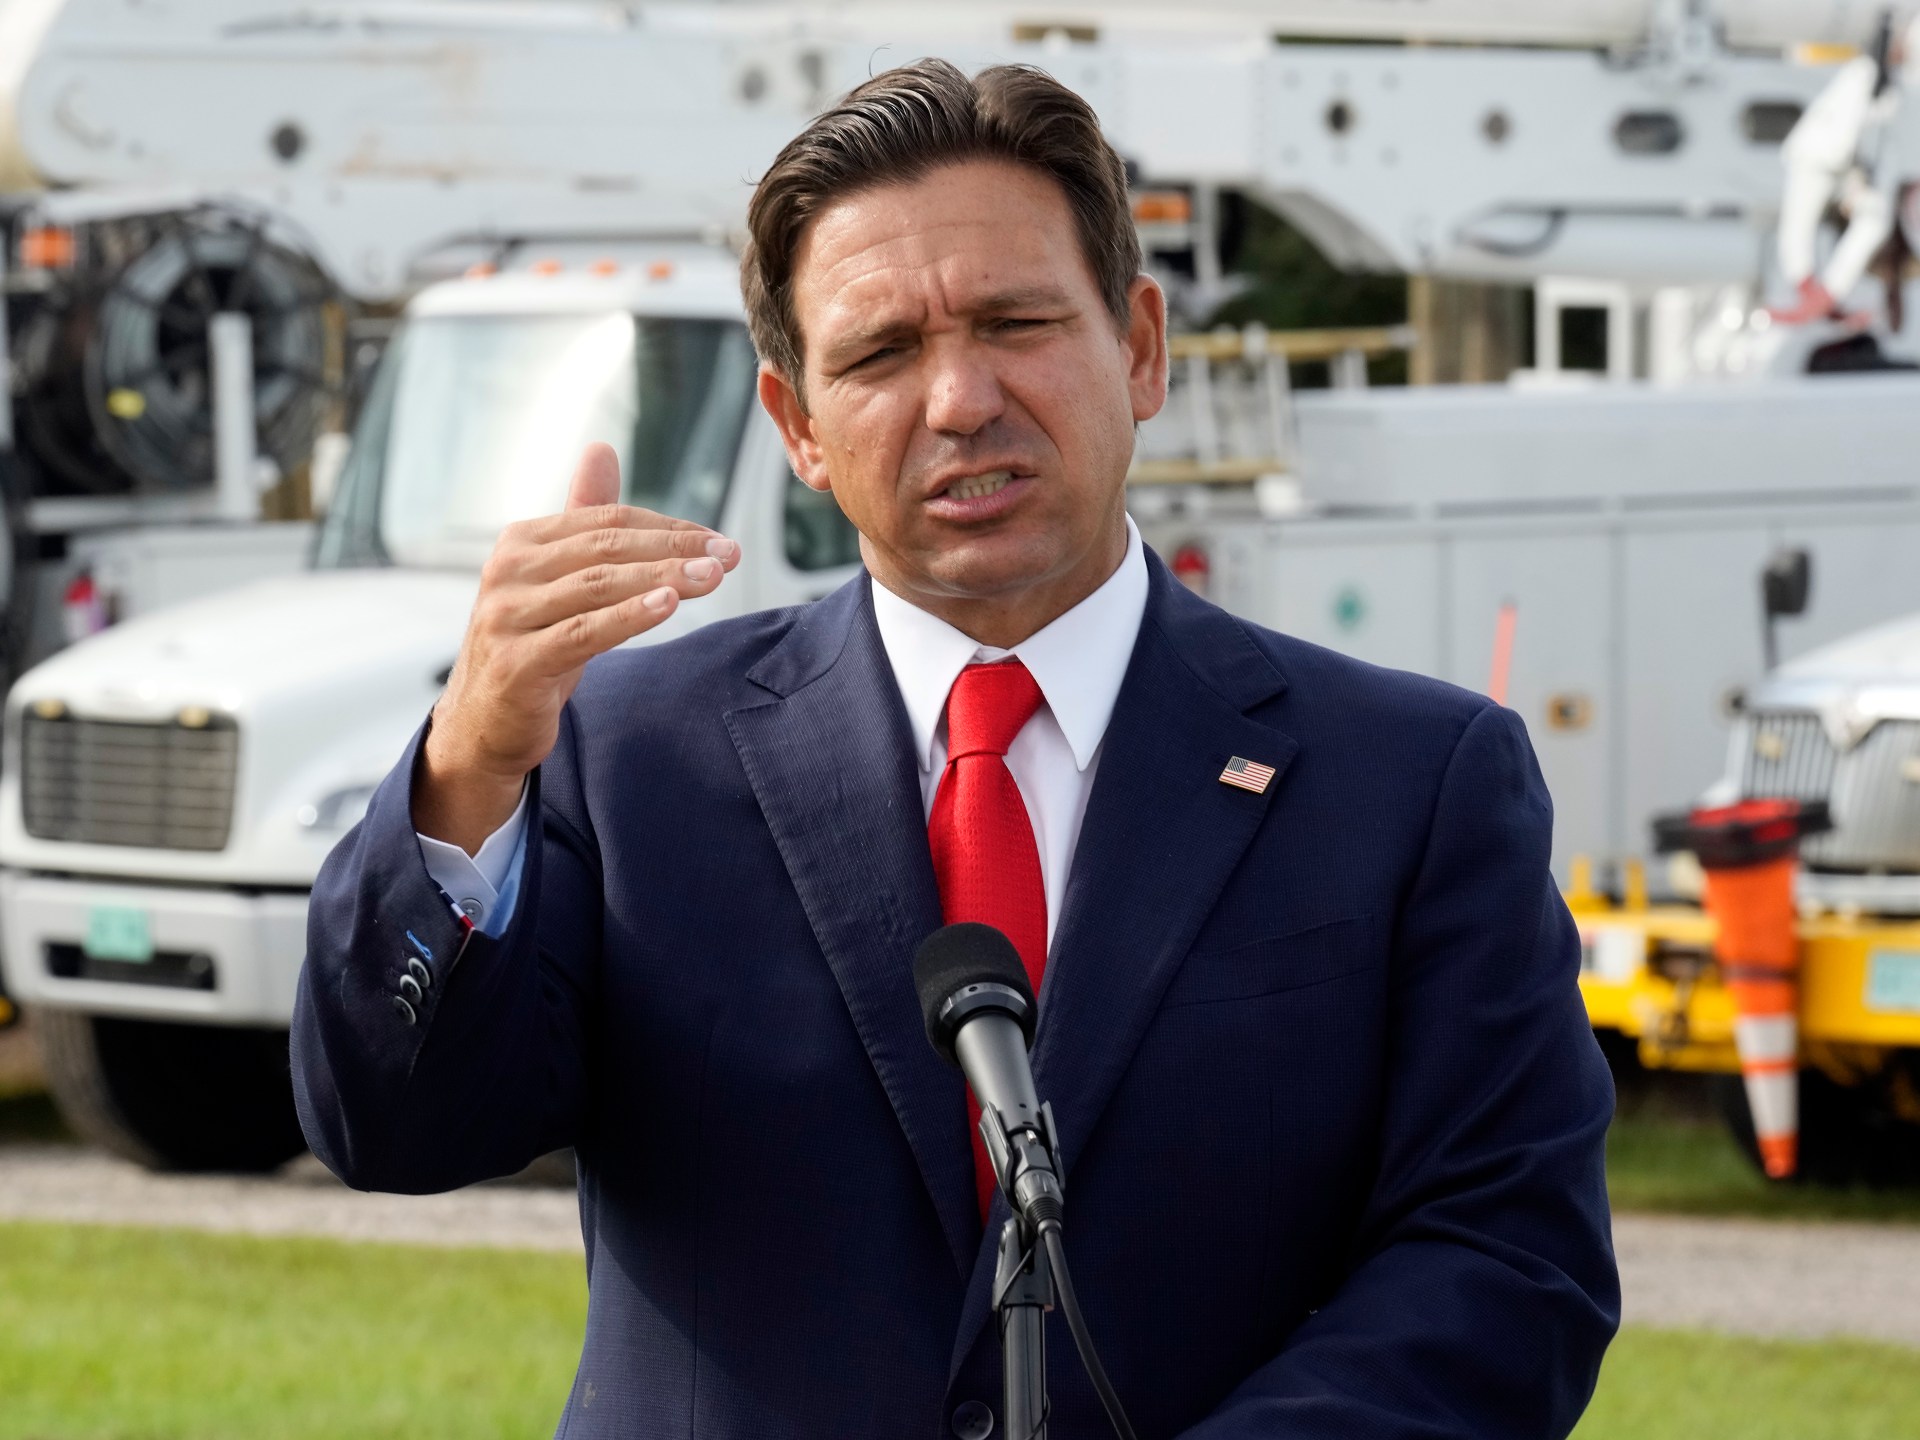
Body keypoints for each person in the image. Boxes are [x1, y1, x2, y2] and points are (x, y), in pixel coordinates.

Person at [294, 60, 1617, 1439]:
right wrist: (470, 764)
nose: (960, 398)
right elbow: (391, 1128)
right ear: (798, 426)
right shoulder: (623, 757)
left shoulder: (1412, 783)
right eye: (879, 355)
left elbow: (1505, 1260)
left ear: (1141, 349)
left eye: (1015, 322)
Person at [1772, 15, 1920, 324]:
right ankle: (1812, 294)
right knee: (1799, 225)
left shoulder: (1889, 83)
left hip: (1850, 164)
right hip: (1818, 157)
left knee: (1873, 221)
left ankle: (1824, 296)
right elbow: (1855, 127)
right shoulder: (1868, 76)